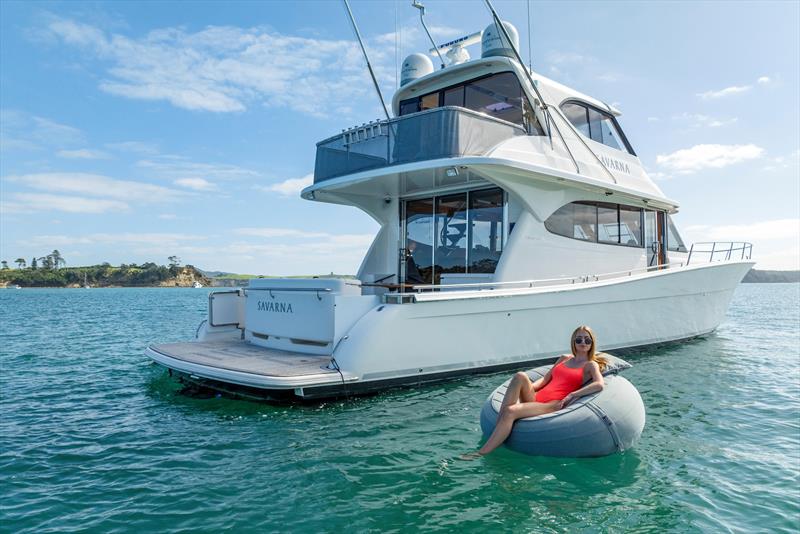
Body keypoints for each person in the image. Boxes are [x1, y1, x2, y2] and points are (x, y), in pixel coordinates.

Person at [476, 326, 607, 456]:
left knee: (510, 411)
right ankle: (498, 432)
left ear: (592, 343)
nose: (583, 343)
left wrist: (573, 394)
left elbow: (599, 384)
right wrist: (528, 388)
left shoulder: (590, 365)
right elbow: (545, 379)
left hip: (552, 404)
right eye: (579, 340)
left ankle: (481, 453)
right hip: (536, 398)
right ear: (573, 342)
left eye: (587, 340)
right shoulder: (564, 358)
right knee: (520, 376)